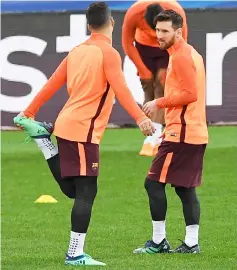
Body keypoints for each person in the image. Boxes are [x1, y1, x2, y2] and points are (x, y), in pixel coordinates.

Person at [14, 2, 155, 266]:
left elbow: (51, 83)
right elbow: (122, 89)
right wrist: (141, 118)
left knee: (75, 191)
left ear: (89, 25)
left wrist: (29, 112)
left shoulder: (77, 51)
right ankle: (75, 254)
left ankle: (45, 141)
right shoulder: (109, 54)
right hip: (82, 131)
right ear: (111, 23)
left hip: (68, 126)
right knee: (86, 192)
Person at [133, 10, 208, 254]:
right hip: (193, 132)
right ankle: (191, 243)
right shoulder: (189, 53)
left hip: (182, 133)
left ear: (178, 31)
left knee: (153, 184)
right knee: (185, 188)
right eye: (157, 30)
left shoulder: (182, 56)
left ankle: (158, 242)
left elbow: (190, 95)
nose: (159, 35)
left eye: (165, 31)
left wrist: (158, 102)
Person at [122, 0, 188, 157]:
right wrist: (142, 69)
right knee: (148, 87)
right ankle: (152, 131)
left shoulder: (176, 11)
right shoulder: (133, 13)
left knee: (162, 84)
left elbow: (182, 43)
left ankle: (155, 135)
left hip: (168, 47)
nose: (156, 35)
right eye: (154, 30)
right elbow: (127, 43)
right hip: (143, 48)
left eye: (160, 30)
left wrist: (172, 66)